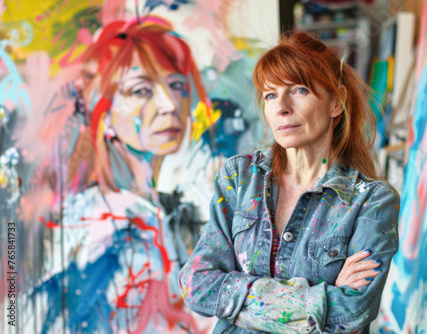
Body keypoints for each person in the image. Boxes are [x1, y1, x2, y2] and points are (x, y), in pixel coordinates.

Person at [179, 32, 400, 334]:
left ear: (336, 103)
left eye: (298, 90)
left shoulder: (371, 202)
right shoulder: (239, 179)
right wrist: (321, 298)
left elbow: (353, 313)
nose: (281, 107)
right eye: (271, 95)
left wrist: (233, 296)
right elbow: (195, 284)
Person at [35, 17, 218, 333]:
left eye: (176, 85)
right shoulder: (90, 224)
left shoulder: (175, 209)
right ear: (102, 115)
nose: (168, 104)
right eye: (141, 90)